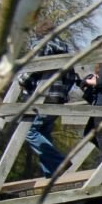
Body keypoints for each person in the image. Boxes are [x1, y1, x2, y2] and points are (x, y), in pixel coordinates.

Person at [16, 26, 79, 178]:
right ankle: (51, 174)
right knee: (43, 133)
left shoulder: (41, 46)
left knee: (29, 132)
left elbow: (32, 69)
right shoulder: (66, 51)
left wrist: (21, 80)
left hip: (42, 97)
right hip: (57, 99)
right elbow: (71, 77)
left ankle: (60, 162)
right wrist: (62, 93)